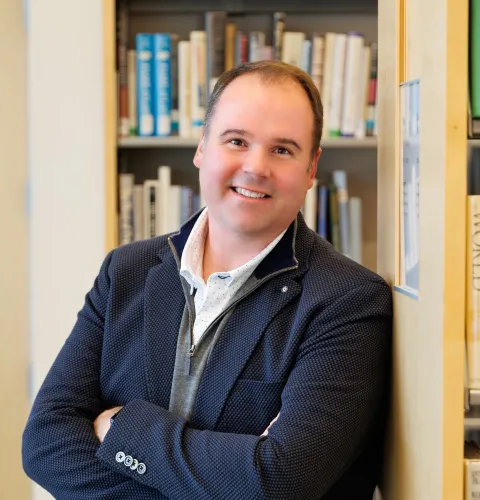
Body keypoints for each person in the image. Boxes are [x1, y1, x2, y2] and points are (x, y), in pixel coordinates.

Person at [22, 60, 392, 499]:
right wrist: (232, 466)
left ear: (312, 168)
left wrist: (122, 428)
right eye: (236, 140)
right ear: (202, 147)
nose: (256, 167)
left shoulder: (349, 302)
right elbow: (46, 442)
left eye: (283, 150)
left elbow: (279, 481)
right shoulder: (125, 272)